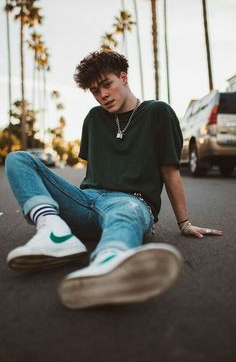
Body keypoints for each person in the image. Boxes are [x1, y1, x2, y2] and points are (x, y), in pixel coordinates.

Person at [5, 51, 222, 310]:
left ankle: (109, 262)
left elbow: (170, 170)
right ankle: (55, 232)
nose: (102, 95)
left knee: (124, 210)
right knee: (18, 159)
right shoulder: (93, 119)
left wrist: (184, 222)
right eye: (95, 91)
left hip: (131, 202)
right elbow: (92, 173)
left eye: (107, 85)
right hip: (86, 201)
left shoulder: (158, 112)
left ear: (123, 77)